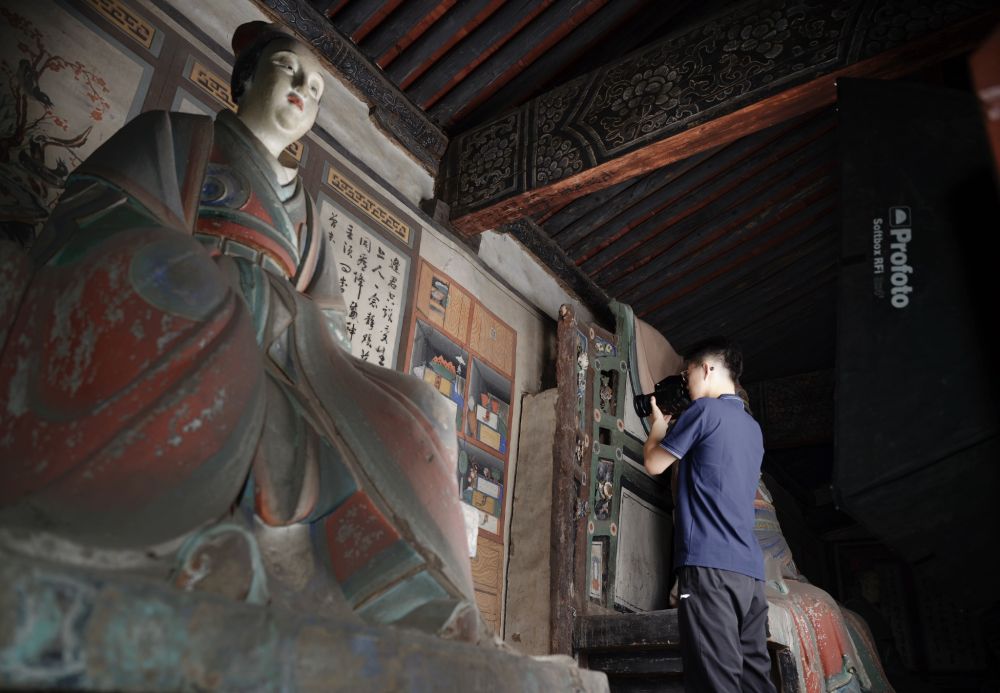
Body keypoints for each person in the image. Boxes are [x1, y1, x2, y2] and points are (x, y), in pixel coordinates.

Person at [0, 21, 477, 639]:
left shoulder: (306, 215)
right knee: (210, 310)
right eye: (287, 69)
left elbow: (329, 323)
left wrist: (279, 308)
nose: (303, 88)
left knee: (423, 406)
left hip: (287, 348)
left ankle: (416, 596)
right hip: (188, 316)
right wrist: (220, 275)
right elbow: (97, 219)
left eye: (316, 89)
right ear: (247, 79)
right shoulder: (176, 137)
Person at [643, 337, 775, 692]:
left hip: (708, 567)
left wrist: (657, 430)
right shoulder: (753, 430)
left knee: (714, 681)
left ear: (706, 369)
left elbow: (654, 464)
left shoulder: (704, 411)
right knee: (754, 680)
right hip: (750, 574)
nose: (686, 384)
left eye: (687, 375)